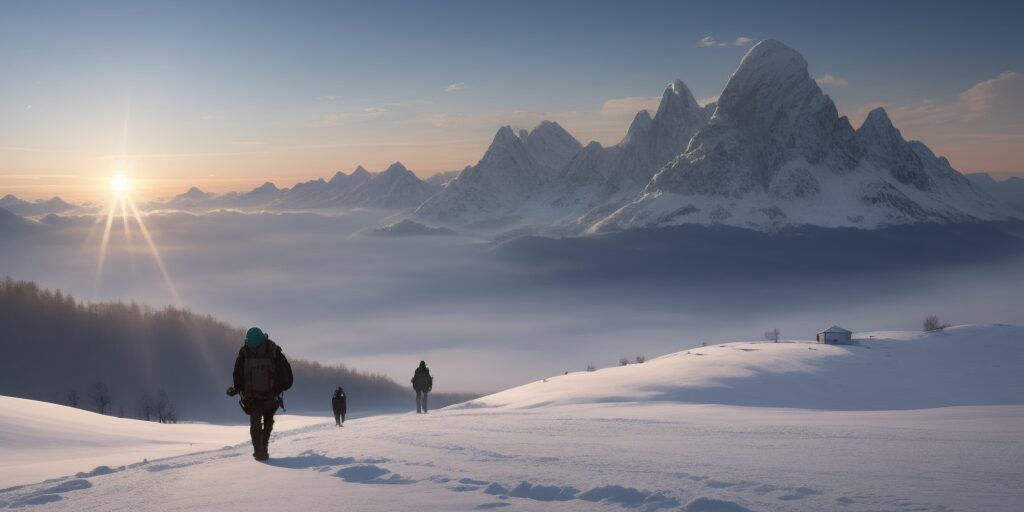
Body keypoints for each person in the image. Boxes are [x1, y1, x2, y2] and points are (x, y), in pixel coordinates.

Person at [227, 327, 293, 461]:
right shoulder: (273, 349)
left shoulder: (245, 351)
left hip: (252, 398)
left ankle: (259, 451)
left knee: (255, 424)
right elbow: (286, 373)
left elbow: (238, 373)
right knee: (268, 422)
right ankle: (264, 448)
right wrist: (280, 388)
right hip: (271, 396)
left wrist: (237, 388)